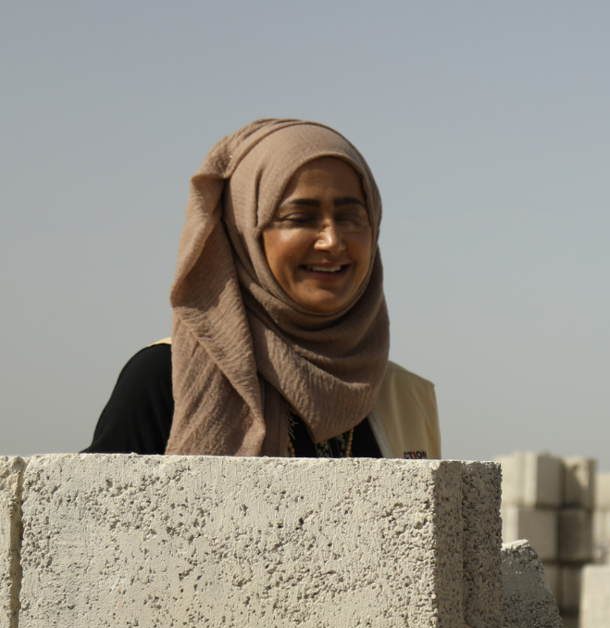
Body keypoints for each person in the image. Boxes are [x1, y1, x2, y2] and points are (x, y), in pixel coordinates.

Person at [84, 119, 439, 459]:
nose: (332, 241)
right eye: (300, 218)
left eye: (351, 218)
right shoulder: (167, 378)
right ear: (244, 234)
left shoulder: (403, 394)